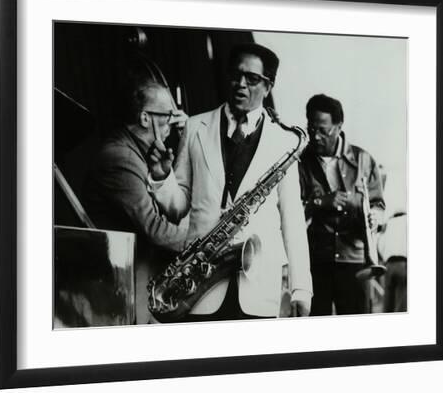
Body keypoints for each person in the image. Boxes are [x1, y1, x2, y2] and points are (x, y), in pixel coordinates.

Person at [148, 43, 313, 321]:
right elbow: (178, 208)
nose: (241, 84)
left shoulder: (285, 141)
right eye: (236, 76)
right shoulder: (195, 127)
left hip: (258, 287)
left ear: (268, 86)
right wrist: (162, 176)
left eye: (252, 79)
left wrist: (301, 290)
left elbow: (293, 222)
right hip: (199, 286)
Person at [82, 81, 188, 324]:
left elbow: (171, 213)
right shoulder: (121, 158)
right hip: (120, 288)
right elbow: (156, 230)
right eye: (168, 115)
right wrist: (201, 240)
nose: (174, 121)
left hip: (137, 279)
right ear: (145, 118)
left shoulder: (138, 151)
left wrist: (163, 175)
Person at [298, 93, 386, 316]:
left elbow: (379, 205)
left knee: (357, 332)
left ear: (338, 127)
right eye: (311, 129)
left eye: (322, 130)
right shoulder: (300, 162)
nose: (315, 136)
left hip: (356, 261)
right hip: (316, 261)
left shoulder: (364, 160)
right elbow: (291, 212)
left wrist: (376, 216)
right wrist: (320, 202)